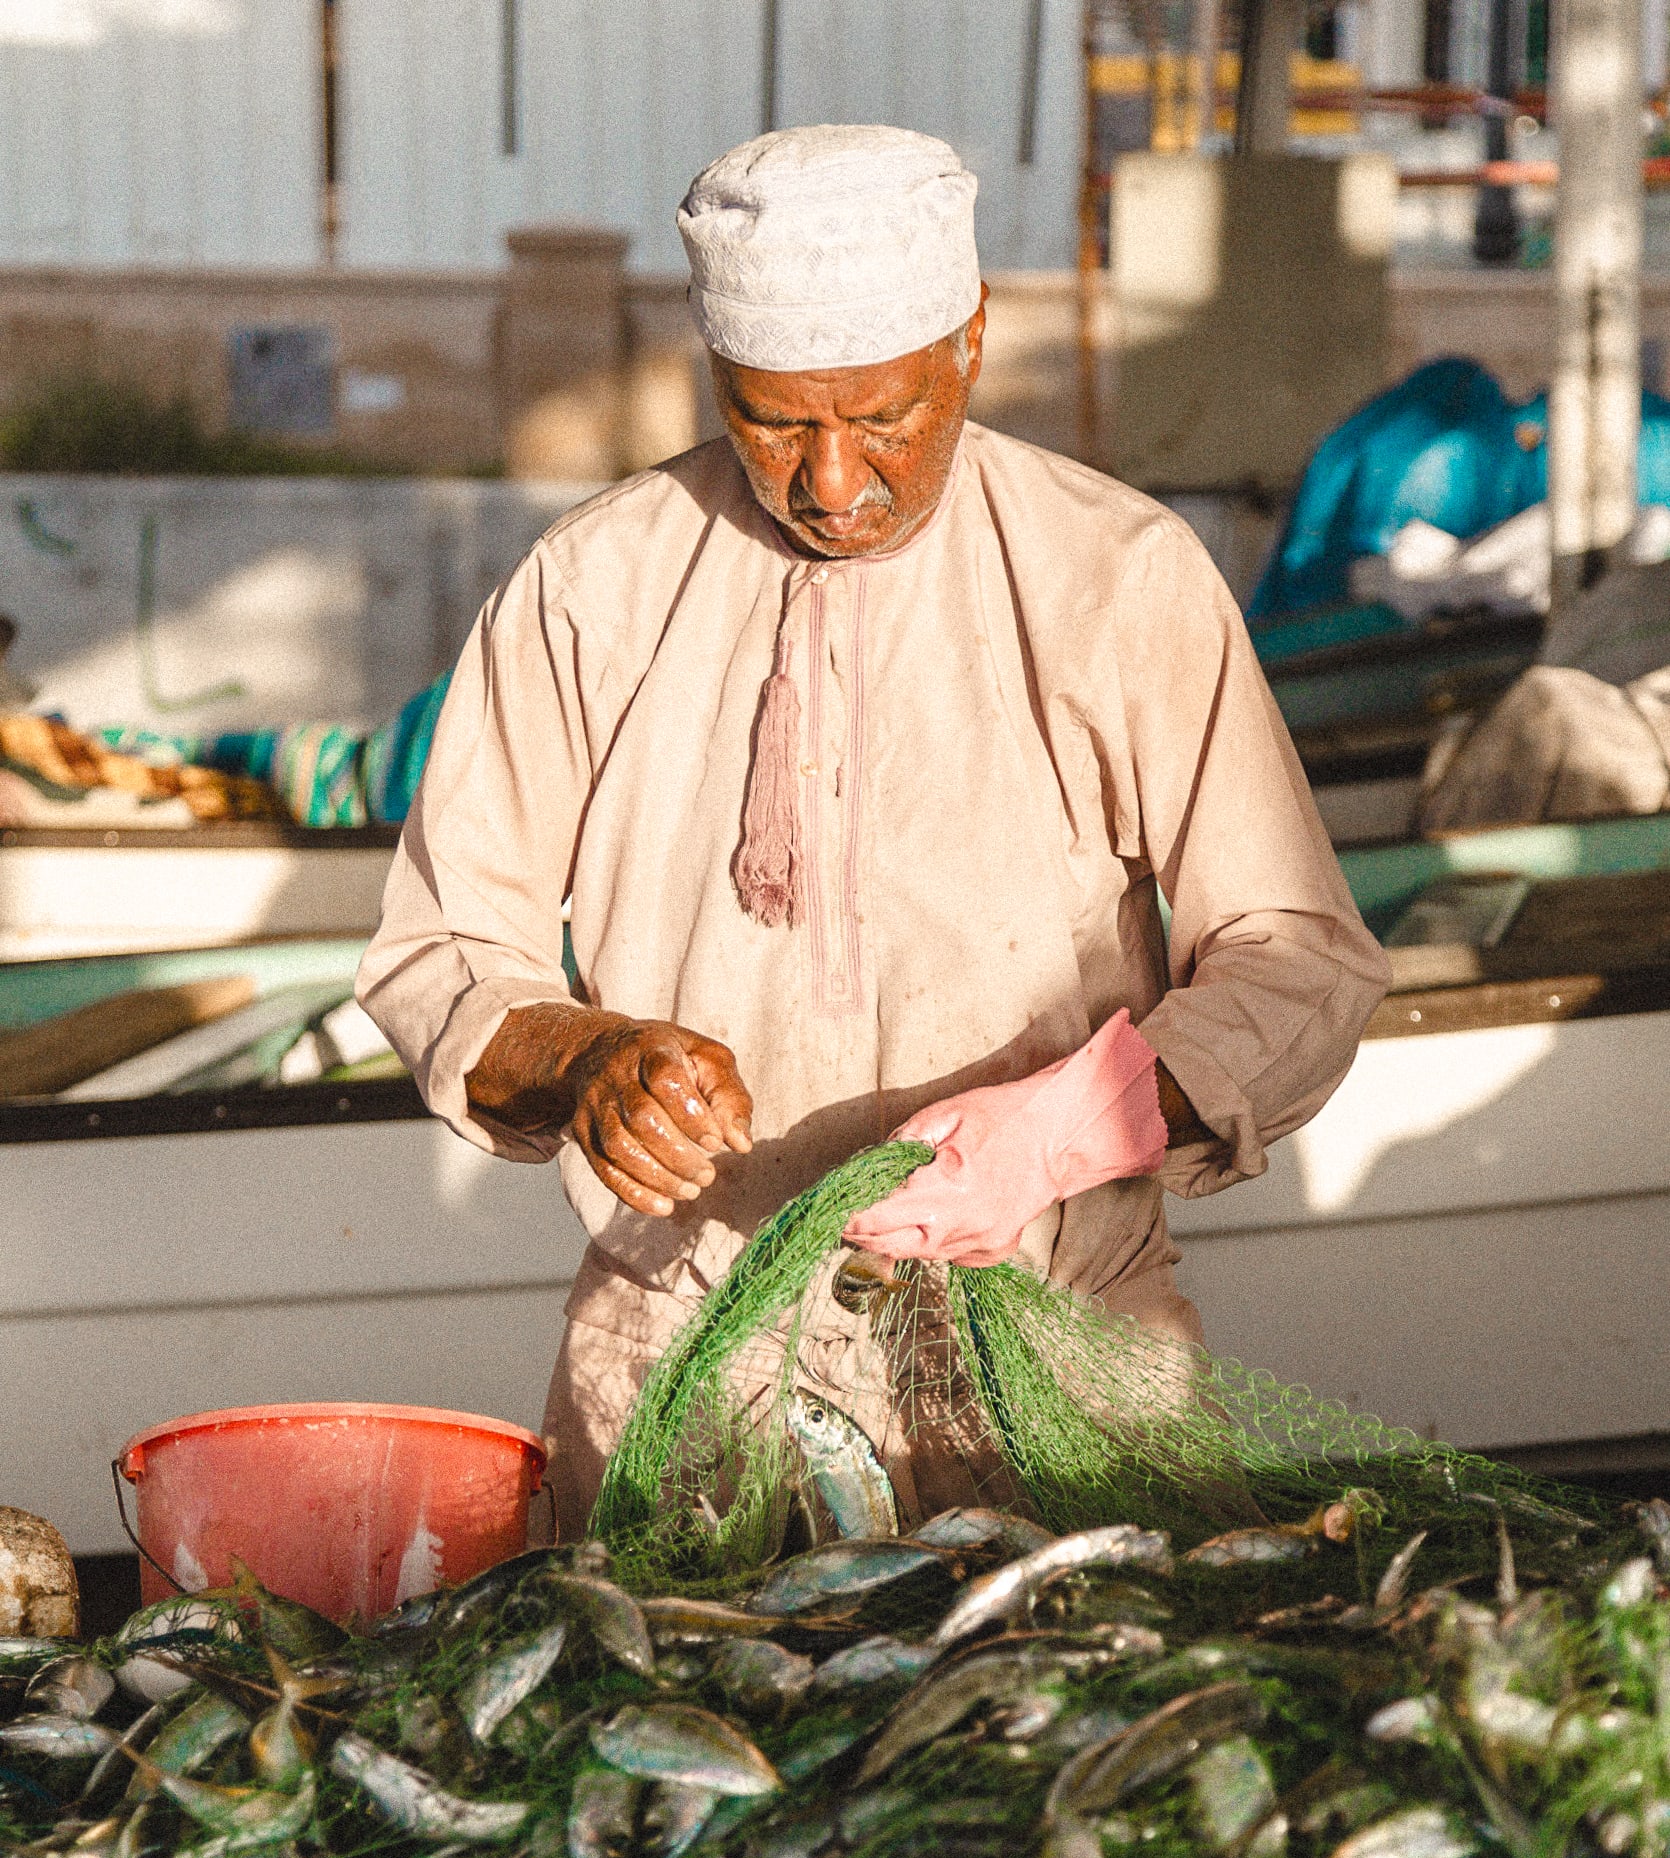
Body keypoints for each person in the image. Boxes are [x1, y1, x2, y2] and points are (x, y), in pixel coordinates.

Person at [358, 125, 1390, 1538]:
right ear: (711, 375)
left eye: (884, 418)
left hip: (1056, 1339)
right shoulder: (590, 584)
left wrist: (1070, 1126)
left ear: (969, 338)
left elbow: (1300, 959)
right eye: (773, 422)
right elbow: (439, 949)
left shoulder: (1119, 575)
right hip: (685, 1359)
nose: (832, 483)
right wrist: (583, 1058)